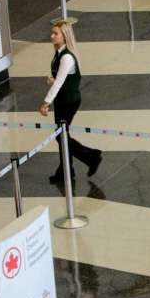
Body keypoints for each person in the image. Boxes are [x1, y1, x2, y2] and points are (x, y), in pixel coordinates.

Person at [38, 21, 102, 184]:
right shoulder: (59, 53)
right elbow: (61, 79)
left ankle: (91, 156)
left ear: (64, 36)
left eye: (56, 33)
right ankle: (67, 170)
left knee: (61, 137)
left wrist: (46, 102)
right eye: (52, 33)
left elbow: (60, 82)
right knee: (62, 135)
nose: (52, 36)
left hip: (69, 101)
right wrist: (53, 81)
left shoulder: (66, 57)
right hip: (62, 100)